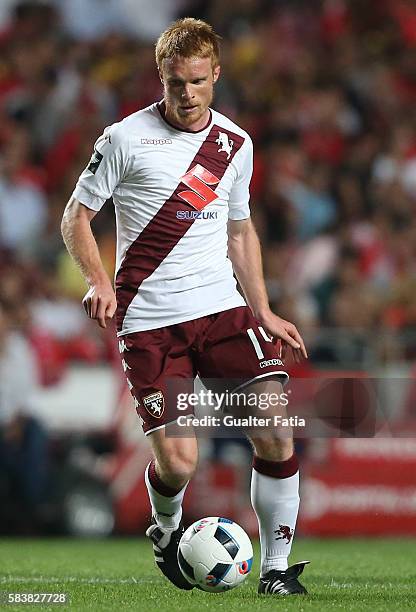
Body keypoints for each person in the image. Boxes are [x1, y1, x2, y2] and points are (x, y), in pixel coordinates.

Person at [61, 17, 309, 596]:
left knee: (274, 428)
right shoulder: (123, 139)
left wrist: (265, 310)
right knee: (178, 464)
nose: (188, 94)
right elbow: (75, 217)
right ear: (162, 77)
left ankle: (276, 570)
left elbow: (241, 232)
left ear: (216, 75)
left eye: (199, 81)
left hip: (221, 310)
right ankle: (168, 530)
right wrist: (100, 282)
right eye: (177, 83)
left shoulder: (234, 144)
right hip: (150, 322)